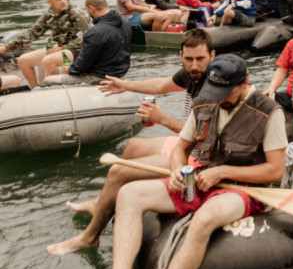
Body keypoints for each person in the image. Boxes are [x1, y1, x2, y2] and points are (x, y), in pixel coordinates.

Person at [104, 54, 287, 269]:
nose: (218, 99)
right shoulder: (205, 101)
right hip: (199, 180)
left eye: (225, 93)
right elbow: (181, 149)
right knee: (128, 194)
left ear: (244, 83)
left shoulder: (269, 112)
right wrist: (177, 169)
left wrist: (223, 171)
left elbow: (276, 170)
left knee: (205, 218)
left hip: (242, 190)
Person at [47, 30, 215, 256]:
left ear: (212, 56)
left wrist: (162, 119)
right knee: (132, 147)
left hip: (203, 155)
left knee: (118, 172)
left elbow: (204, 138)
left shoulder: (215, 86)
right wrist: (125, 85)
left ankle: (90, 237)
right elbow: (161, 85)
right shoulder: (190, 74)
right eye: (188, 59)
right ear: (181, 56)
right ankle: (102, 203)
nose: (194, 65)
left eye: (200, 59)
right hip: (188, 145)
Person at [0, 0, 91, 87]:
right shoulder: (49, 16)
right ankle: (35, 90)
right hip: (61, 48)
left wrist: (62, 48)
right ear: (49, 2)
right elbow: (31, 33)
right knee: (23, 60)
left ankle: (57, 89)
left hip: (79, 49)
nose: (63, 2)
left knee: (48, 60)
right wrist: (5, 48)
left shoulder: (76, 13)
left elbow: (90, 36)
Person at [43, 0, 131, 85]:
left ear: (91, 9)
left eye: (88, 10)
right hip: (121, 74)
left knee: (48, 80)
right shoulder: (125, 23)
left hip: (99, 77)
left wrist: (70, 69)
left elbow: (82, 65)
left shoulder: (96, 32)